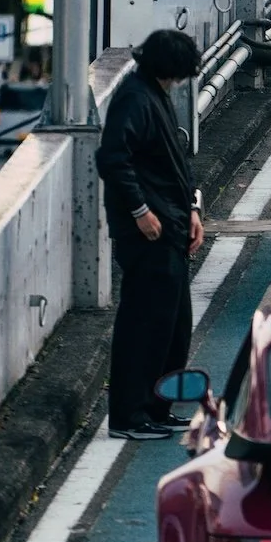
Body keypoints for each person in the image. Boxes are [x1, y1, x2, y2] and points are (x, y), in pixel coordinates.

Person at [96, 28, 205, 439]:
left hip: (170, 225)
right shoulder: (135, 98)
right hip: (148, 231)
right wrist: (140, 211)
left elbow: (174, 162)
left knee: (172, 324)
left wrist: (192, 210)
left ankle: (157, 406)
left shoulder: (151, 94)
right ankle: (129, 414)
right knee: (143, 324)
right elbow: (112, 158)